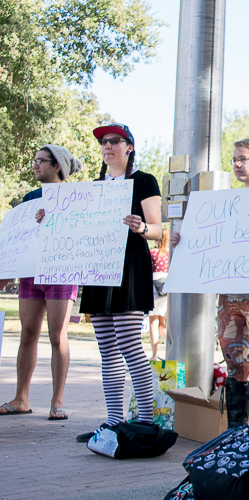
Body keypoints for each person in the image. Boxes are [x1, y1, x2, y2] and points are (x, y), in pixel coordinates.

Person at [172, 138, 249, 427]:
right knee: (234, 366)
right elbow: (209, 245)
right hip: (229, 297)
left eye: (243, 159)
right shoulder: (225, 204)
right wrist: (185, 242)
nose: (238, 165)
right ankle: (235, 434)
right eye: (234, 160)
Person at [75, 123, 163, 443]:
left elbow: (158, 230)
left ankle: (146, 421)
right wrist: (50, 219)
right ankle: (114, 420)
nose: (107, 146)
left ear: (129, 147)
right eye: (103, 142)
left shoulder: (143, 181)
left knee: (128, 344)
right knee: (107, 349)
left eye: (115, 141)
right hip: (98, 270)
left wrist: (141, 227)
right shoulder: (95, 186)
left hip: (129, 269)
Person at [0, 145, 82, 420]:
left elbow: (81, 231)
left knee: (57, 336)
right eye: (34, 160)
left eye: (41, 161)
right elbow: (19, 240)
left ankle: (57, 400)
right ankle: (20, 398)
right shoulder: (30, 198)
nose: (35, 165)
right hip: (30, 271)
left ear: (57, 166)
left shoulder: (76, 196)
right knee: (27, 333)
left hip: (60, 269)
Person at [148, 227, 169, 362]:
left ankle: (155, 354)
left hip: (154, 287)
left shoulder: (152, 253)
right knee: (162, 323)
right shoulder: (170, 254)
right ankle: (172, 348)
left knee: (153, 322)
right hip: (166, 287)